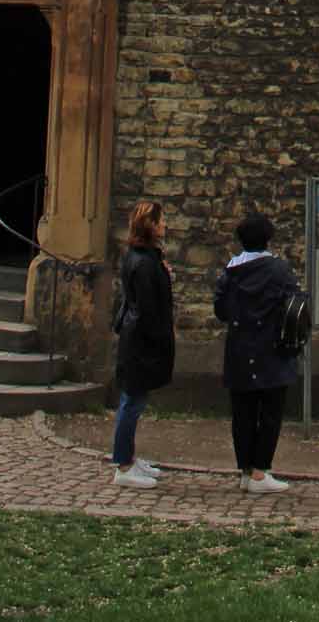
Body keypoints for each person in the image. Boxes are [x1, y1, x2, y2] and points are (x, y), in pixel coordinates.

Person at [214, 213, 300, 495]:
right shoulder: (278, 270)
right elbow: (294, 307)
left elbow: (221, 311)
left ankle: (246, 470)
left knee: (243, 414)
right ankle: (261, 471)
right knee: (270, 413)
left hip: (239, 349)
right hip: (271, 350)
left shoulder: (231, 271)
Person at [111, 197, 175, 489]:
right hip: (139, 340)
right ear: (150, 225)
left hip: (137, 336)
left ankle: (128, 458)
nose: (164, 224)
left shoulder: (142, 257)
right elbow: (148, 307)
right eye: (160, 220)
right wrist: (160, 338)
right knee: (131, 402)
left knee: (135, 400)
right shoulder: (142, 261)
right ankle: (123, 466)